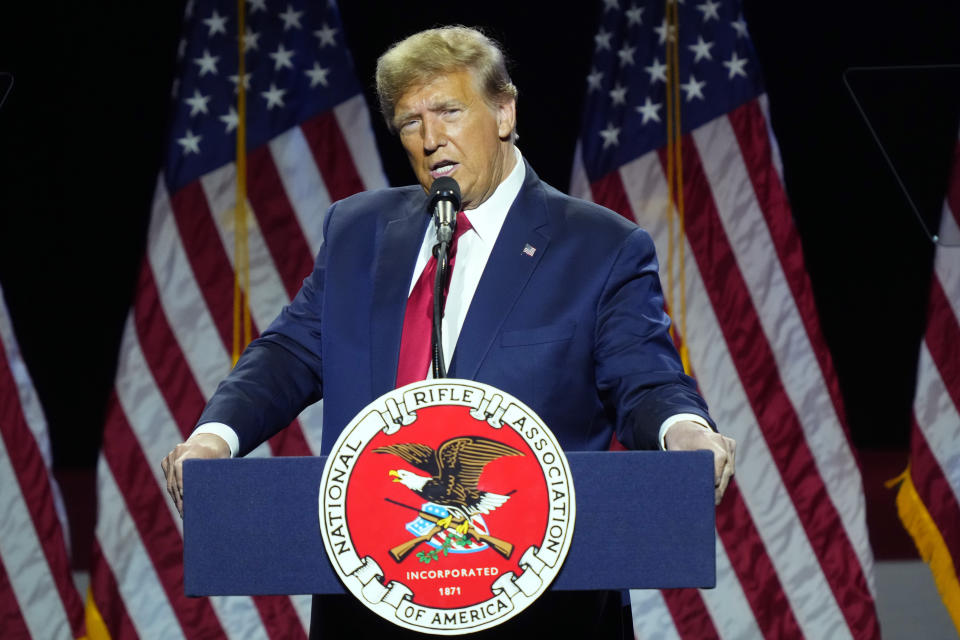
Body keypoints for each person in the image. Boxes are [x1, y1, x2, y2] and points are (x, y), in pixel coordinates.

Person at [162, 26, 735, 639]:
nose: (431, 139)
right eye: (410, 123)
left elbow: (644, 380)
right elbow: (289, 354)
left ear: (504, 110)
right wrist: (214, 439)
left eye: (449, 111)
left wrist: (687, 432)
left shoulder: (601, 247)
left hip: (538, 610)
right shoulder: (358, 231)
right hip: (372, 604)